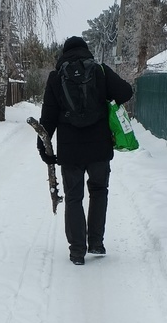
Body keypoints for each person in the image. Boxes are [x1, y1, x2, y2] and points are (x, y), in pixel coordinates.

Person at [38, 36, 134, 265]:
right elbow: (126, 92)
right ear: (86, 51)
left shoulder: (56, 76)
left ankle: (77, 251)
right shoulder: (100, 70)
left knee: (73, 197)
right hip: (99, 147)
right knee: (99, 191)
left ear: (64, 53)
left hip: (70, 150)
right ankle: (97, 242)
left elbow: (48, 116)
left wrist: (44, 147)